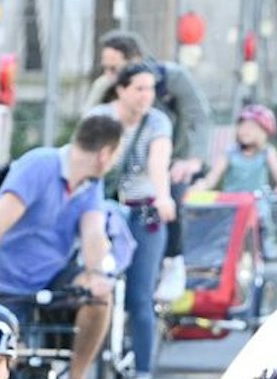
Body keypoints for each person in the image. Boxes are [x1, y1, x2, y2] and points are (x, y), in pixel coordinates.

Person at [0, 114, 124, 379]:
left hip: (52, 275)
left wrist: (97, 274)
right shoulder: (39, 166)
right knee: (3, 360)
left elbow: (93, 234)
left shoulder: (91, 184)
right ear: (105, 154)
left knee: (100, 297)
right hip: (4, 280)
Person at [88, 29, 214, 301]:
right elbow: (87, 128)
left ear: (134, 59)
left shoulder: (172, 79)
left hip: (170, 159)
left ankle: (173, 260)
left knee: (172, 194)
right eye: (106, 68)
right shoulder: (106, 87)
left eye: (115, 67)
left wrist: (193, 160)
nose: (109, 74)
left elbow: (199, 118)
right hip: (121, 165)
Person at [87, 63, 173, 379]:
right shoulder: (100, 118)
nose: (145, 96)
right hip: (102, 211)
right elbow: (88, 163)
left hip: (144, 209)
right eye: (138, 88)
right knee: (89, 284)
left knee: (140, 295)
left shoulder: (158, 122)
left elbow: (158, 163)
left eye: (150, 89)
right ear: (120, 89)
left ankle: (142, 376)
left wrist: (163, 195)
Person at [195, 104, 277, 200]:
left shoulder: (267, 152)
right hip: (232, 207)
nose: (245, 131)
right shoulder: (230, 153)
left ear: (264, 132)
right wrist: (201, 186)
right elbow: (212, 178)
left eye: (251, 128)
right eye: (242, 126)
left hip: (257, 209)